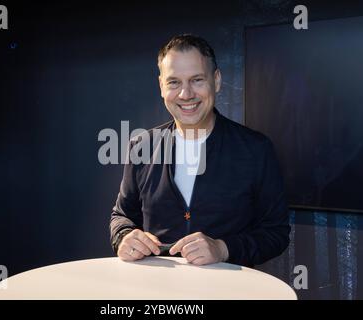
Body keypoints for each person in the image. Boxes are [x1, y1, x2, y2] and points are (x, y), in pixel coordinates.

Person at [109, 34, 290, 267]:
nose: (186, 94)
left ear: (216, 81)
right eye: (174, 82)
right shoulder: (140, 146)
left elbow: (276, 233)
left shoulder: (256, 149)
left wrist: (223, 249)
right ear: (161, 86)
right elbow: (121, 216)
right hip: (158, 294)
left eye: (197, 80)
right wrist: (123, 236)